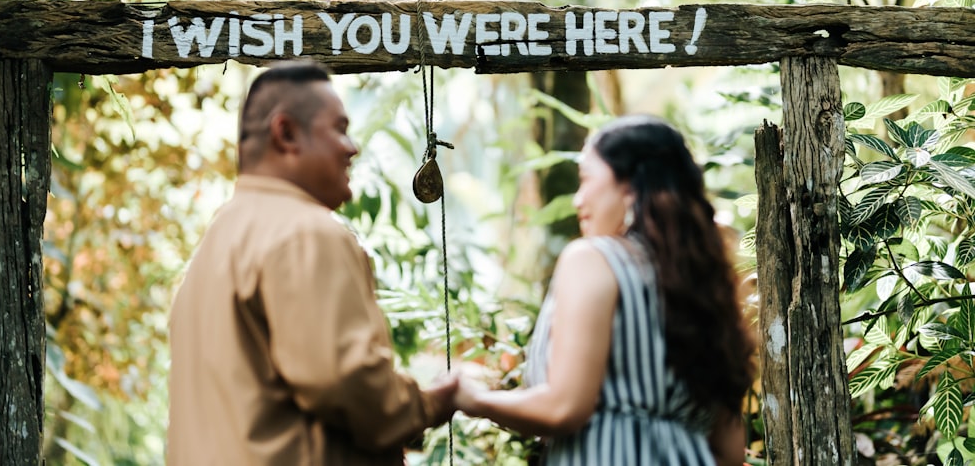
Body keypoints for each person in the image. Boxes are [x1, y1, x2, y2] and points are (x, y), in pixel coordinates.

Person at [167, 61, 456, 466]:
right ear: (285, 133)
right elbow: (343, 381)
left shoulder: (219, 238)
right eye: (338, 128)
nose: (352, 146)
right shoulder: (305, 232)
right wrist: (429, 403)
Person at [453, 115, 756, 465]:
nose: (578, 199)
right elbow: (729, 452)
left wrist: (472, 399)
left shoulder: (594, 259)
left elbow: (564, 408)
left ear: (630, 188)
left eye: (586, 180)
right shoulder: (708, 284)